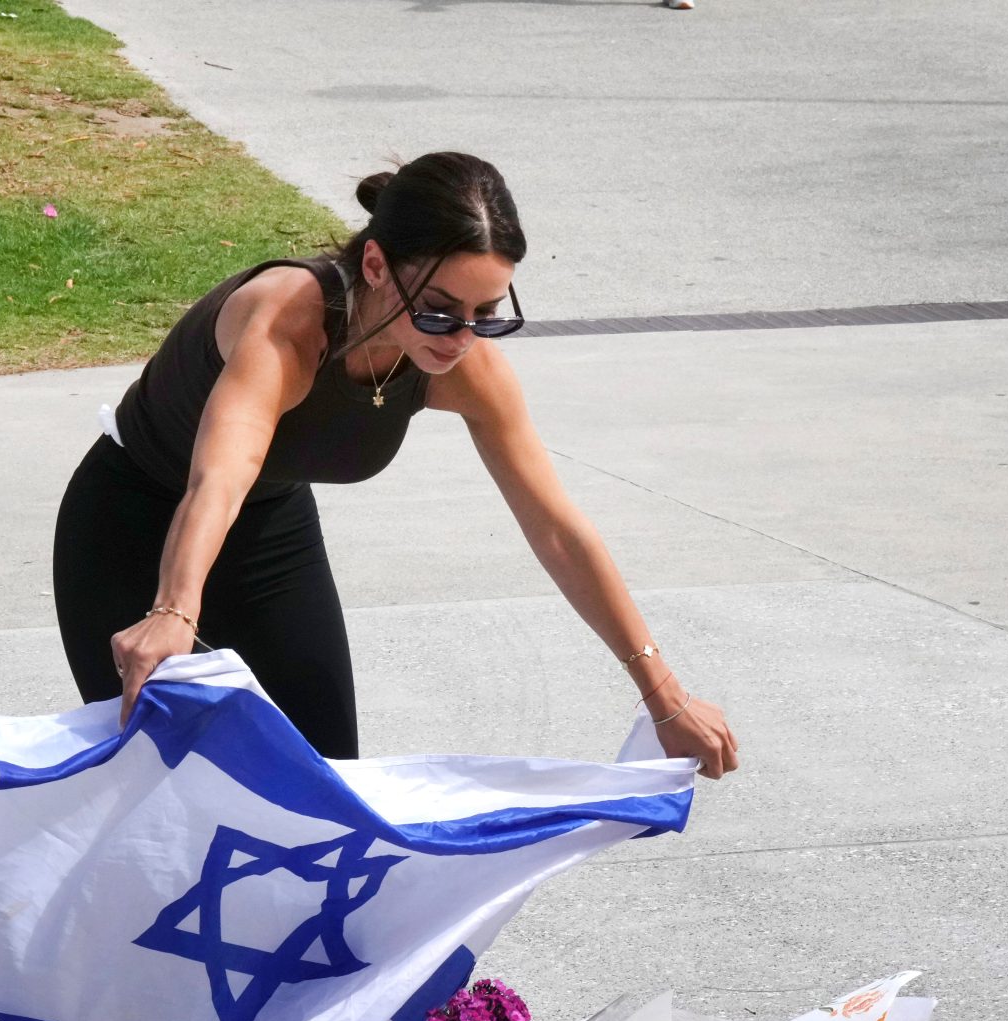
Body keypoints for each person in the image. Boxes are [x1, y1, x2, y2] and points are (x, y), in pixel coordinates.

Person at [52, 152, 738, 777]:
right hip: (132, 523)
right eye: (440, 313)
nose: (463, 338)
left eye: (487, 314)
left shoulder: (469, 368)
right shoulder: (289, 320)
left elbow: (557, 528)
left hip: (270, 530)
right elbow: (221, 476)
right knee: (163, 787)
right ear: (376, 266)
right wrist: (173, 608)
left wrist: (664, 696)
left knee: (324, 791)